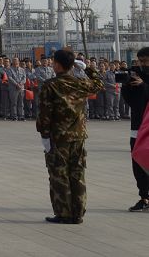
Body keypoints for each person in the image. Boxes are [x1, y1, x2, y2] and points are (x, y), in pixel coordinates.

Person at [36, 48, 103, 224]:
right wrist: (87, 68)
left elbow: (44, 113)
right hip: (78, 136)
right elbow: (98, 84)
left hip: (58, 137)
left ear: (57, 65)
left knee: (59, 175)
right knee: (77, 173)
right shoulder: (81, 83)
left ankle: (64, 213)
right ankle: (78, 212)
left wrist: (44, 135)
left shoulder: (50, 85)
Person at [120, 46, 149, 212]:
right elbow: (130, 100)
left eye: (145, 61)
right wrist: (128, 86)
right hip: (137, 126)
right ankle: (144, 196)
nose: (142, 64)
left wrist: (144, 85)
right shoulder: (135, 74)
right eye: (140, 61)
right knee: (137, 161)